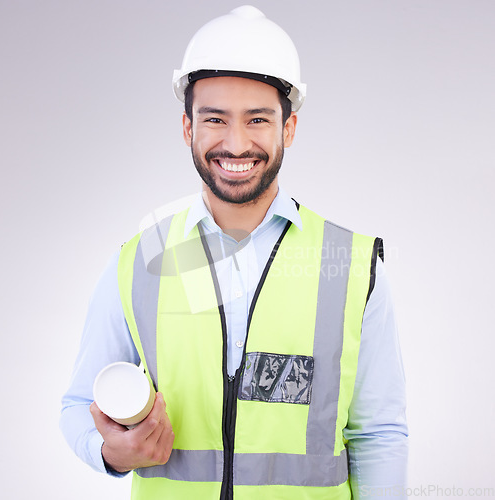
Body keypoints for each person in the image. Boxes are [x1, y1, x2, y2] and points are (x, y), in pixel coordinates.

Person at [61, 5, 408, 499]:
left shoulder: (350, 265)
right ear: (188, 129)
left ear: (288, 129)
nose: (236, 143)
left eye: (258, 119)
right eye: (216, 119)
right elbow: (78, 404)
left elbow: (378, 436)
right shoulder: (142, 260)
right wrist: (109, 452)